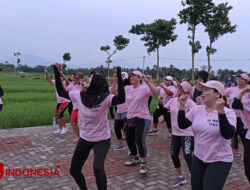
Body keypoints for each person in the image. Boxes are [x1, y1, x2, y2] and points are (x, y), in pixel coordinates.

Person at [53, 63, 125, 190]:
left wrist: (119, 75)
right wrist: (56, 71)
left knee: (97, 168)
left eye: (89, 79)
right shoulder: (78, 95)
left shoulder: (105, 98)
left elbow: (121, 99)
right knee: (74, 170)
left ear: (96, 83)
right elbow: (61, 91)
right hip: (85, 138)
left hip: (102, 139)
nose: (86, 80)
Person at [178, 80, 236, 190]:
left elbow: (228, 134)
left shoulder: (228, 113)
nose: (203, 93)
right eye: (203, 90)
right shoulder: (197, 110)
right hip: (199, 157)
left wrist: (220, 112)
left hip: (219, 160)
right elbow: (183, 125)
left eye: (207, 90)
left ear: (217, 94)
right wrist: (181, 107)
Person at [124, 70, 158, 174]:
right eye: (131, 76)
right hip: (130, 117)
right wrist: (115, 82)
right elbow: (115, 92)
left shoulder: (144, 88)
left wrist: (147, 81)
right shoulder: (127, 88)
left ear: (139, 78)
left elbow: (155, 92)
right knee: (129, 139)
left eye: (134, 76)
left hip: (142, 118)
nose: (132, 77)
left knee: (139, 140)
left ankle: (143, 162)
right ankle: (135, 157)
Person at [165, 81, 196, 187]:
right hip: (175, 133)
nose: (179, 90)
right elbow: (165, 110)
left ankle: (196, 177)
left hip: (187, 133)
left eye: (182, 89)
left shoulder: (191, 103)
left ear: (187, 92)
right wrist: (160, 105)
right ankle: (180, 177)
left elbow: (195, 117)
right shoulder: (172, 101)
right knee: (173, 155)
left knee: (187, 155)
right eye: (178, 88)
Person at [225, 73, 249, 156]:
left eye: (242, 79)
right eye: (238, 78)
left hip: (244, 117)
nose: (239, 80)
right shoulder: (231, 89)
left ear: (246, 81)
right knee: (233, 133)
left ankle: (246, 151)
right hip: (233, 115)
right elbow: (222, 93)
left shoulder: (248, 90)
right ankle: (234, 150)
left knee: (243, 134)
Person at [232, 85, 250, 189]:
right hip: (249, 136)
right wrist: (243, 91)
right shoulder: (247, 101)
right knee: (247, 166)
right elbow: (235, 104)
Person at [45, 69, 70, 135]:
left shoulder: (65, 82)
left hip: (65, 101)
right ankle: (60, 128)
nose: (60, 78)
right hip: (59, 101)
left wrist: (63, 75)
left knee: (60, 113)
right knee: (57, 115)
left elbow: (67, 82)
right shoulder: (56, 82)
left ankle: (64, 128)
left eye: (62, 76)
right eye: (59, 77)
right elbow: (49, 79)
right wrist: (47, 73)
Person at [111, 72, 130, 151]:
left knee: (127, 129)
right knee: (116, 127)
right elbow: (113, 92)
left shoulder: (128, 87)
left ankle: (131, 147)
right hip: (119, 110)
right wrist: (114, 81)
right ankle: (121, 145)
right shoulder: (119, 86)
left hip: (127, 110)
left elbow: (115, 93)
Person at [66, 72, 84, 143]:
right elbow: (65, 90)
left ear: (81, 79)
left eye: (78, 78)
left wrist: (82, 85)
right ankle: (79, 136)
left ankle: (83, 137)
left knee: (82, 123)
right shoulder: (72, 86)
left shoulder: (84, 85)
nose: (76, 79)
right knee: (73, 122)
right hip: (75, 107)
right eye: (75, 78)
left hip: (82, 108)